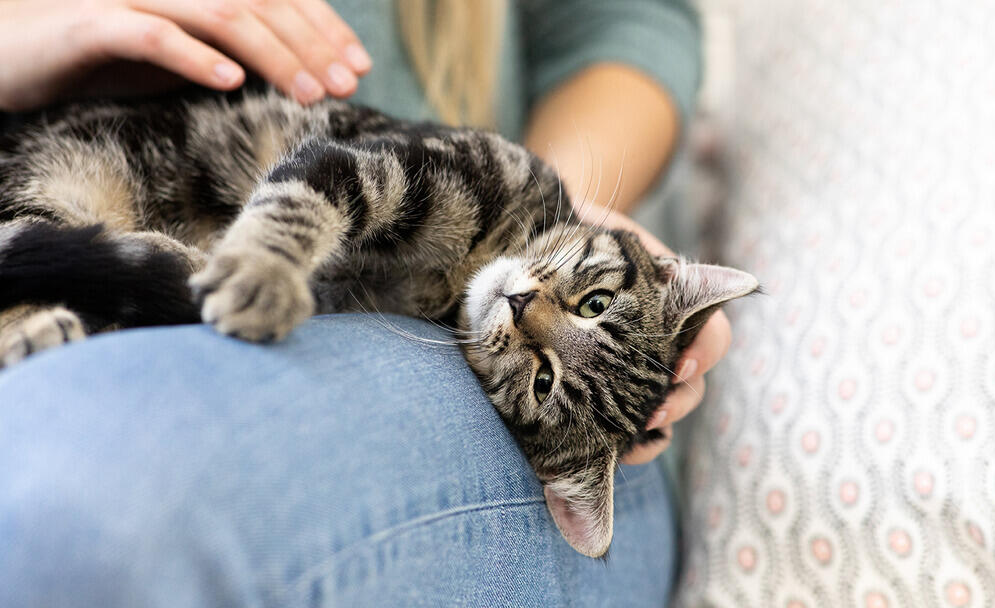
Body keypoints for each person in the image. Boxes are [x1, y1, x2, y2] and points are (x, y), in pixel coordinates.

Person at [0, 1, 723, 604]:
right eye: (587, 307)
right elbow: (340, 179)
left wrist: (576, 207)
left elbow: (626, 20)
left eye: (543, 374)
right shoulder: (497, 212)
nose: (529, 311)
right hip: (155, 188)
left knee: (88, 505)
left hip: (431, 364)